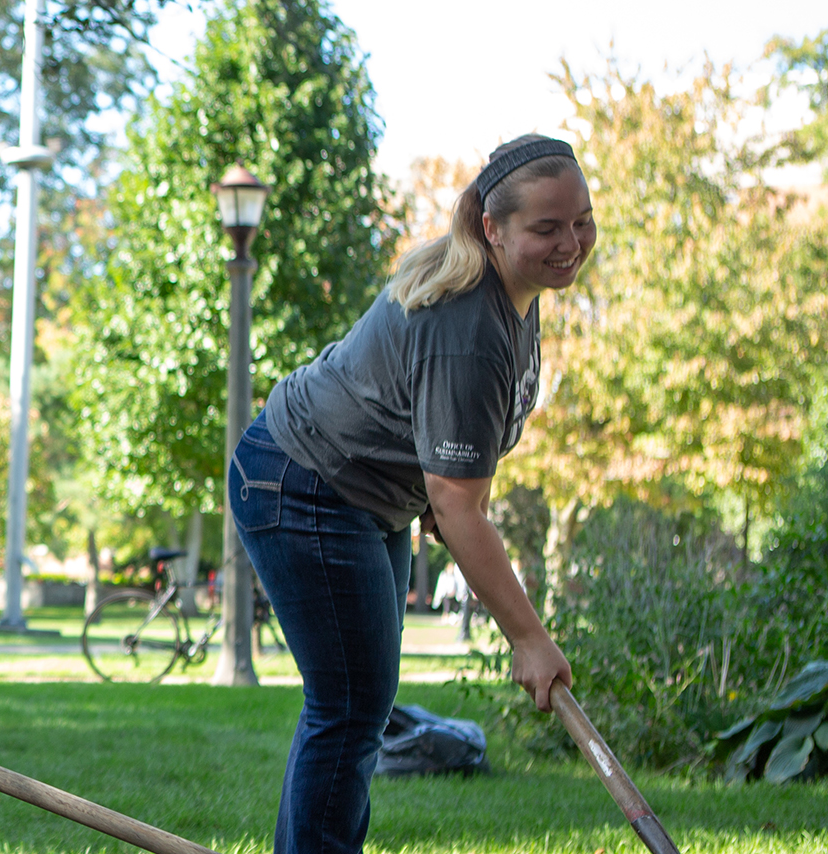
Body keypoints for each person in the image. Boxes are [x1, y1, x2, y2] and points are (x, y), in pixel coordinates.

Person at [229, 133, 589, 854]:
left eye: (581, 219)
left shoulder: (518, 295)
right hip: (304, 484)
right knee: (351, 705)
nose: (570, 243)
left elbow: (443, 462)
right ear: (493, 227)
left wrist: (437, 496)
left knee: (357, 703)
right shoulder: (470, 324)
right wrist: (529, 638)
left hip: (363, 494)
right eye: (546, 228)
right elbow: (459, 505)